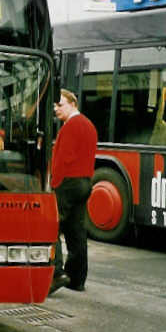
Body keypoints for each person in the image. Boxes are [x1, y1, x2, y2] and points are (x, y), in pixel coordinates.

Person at [49, 89, 97, 294]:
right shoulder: (89, 125)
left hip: (67, 183)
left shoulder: (70, 127)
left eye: (60, 104)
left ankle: (56, 273)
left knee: (52, 225)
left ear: (72, 103)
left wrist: (54, 184)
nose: (56, 109)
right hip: (85, 182)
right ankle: (77, 278)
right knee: (76, 231)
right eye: (55, 106)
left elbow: (62, 160)